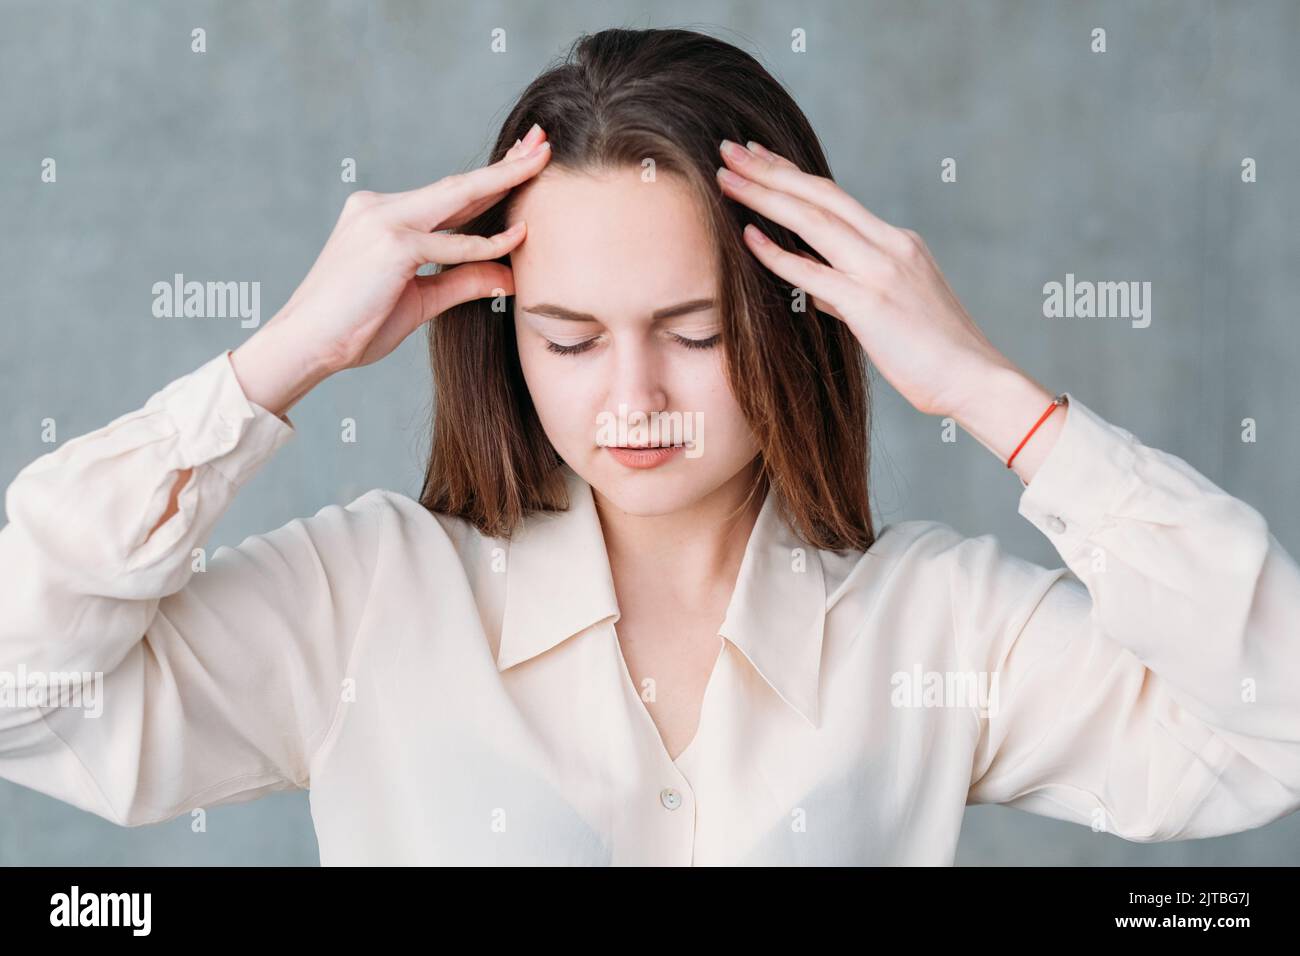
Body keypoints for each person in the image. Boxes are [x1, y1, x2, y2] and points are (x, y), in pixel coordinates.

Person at [1, 27, 1297, 866]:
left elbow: (1273, 730)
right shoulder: (366, 601)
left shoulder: (936, 628)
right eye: (568, 340)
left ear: (796, 318)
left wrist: (992, 394)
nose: (633, 397)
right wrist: (277, 363)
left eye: (694, 332)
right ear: (507, 335)